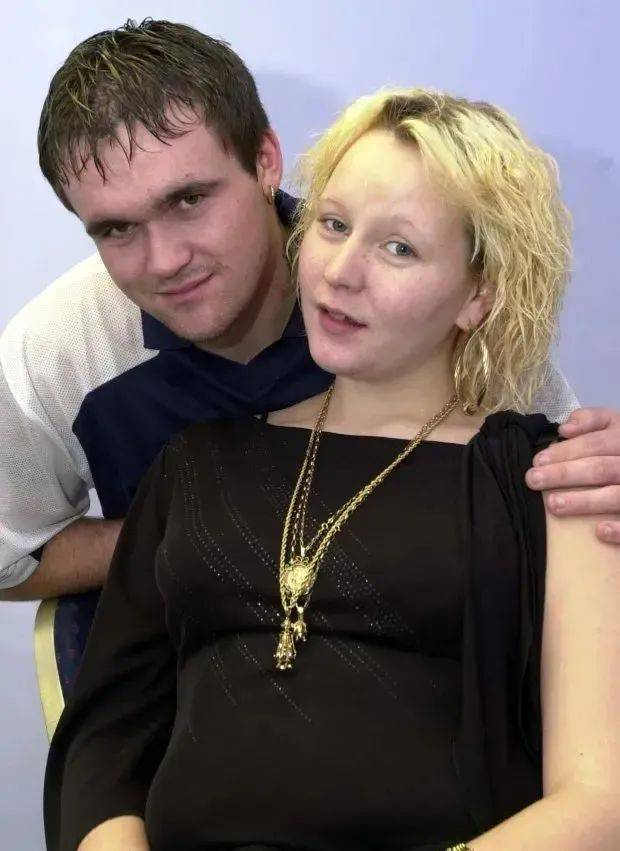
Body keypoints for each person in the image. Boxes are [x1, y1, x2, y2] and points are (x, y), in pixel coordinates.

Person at [44, 88, 619, 850]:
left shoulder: (556, 482)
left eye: (398, 247)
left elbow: (600, 800)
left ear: (478, 294)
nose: (341, 272)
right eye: (334, 225)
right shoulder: (193, 464)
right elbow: (102, 746)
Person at [1, 17, 619, 607]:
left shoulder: (415, 300)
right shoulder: (57, 350)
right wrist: (186, 531)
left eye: (189, 200)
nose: (165, 261)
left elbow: (572, 490)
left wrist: (598, 477)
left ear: (265, 160)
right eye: (116, 229)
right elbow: (9, 559)